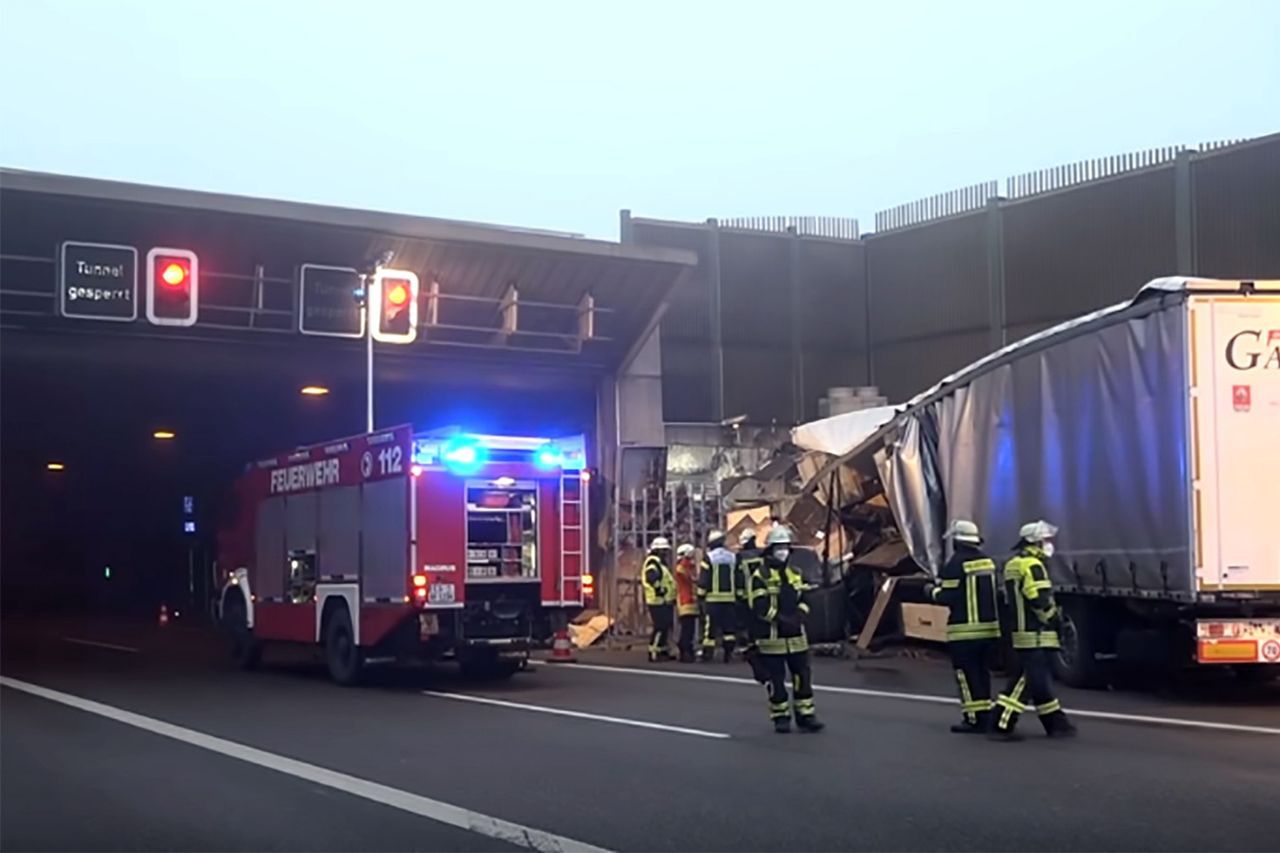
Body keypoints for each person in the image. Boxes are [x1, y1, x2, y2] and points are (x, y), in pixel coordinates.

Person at [991, 520, 1078, 740]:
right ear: (1035, 542)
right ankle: (1001, 723)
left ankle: (1056, 724)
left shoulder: (1014, 564)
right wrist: (1054, 620)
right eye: (1046, 540)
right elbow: (1038, 599)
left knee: (1036, 682)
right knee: (1026, 682)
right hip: (1037, 635)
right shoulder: (1032, 565)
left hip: (1023, 633)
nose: (1049, 544)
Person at [747, 526, 825, 733]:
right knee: (776, 680)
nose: (783, 551)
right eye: (779, 547)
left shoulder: (795, 573)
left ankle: (806, 716)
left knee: (803, 678)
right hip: (772, 639)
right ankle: (780, 717)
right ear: (770, 549)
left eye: (786, 547)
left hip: (797, 638)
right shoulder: (759, 576)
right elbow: (759, 605)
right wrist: (780, 619)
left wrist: (800, 614)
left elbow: (806, 598)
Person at [928, 519, 1001, 734]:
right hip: (989, 631)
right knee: (981, 673)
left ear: (957, 541)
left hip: (964, 632)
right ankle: (985, 715)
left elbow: (948, 597)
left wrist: (931, 592)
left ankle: (972, 719)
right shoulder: (987, 562)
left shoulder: (955, 564)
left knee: (966, 676)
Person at [698, 529, 740, 662]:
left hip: (713, 600)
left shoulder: (709, 557)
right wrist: (738, 595)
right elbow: (738, 578)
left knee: (710, 629)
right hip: (730, 600)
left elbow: (704, 579)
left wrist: (700, 596)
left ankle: (708, 655)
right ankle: (728, 654)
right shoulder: (732, 557)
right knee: (729, 630)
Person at [735, 528, 768, 683]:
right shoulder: (762, 555)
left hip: (746, 596)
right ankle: (761, 647)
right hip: (762, 595)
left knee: (748, 625)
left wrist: (739, 595)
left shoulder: (740, 557)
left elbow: (738, 577)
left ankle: (751, 648)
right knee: (760, 622)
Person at [641, 537, 676, 662]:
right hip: (657, 600)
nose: (666, 553)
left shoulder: (659, 563)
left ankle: (662, 650)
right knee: (660, 626)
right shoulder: (653, 562)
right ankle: (653, 651)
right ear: (658, 550)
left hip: (663, 600)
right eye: (664, 550)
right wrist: (660, 590)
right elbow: (651, 577)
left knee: (665, 626)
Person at [674, 543, 701, 663]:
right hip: (686, 602)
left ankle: (687, 651)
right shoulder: (683, 568)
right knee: (687, 629)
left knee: (688, 629)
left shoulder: (686, 567)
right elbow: (691, 579)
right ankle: (685, 651)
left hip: (689, 601)